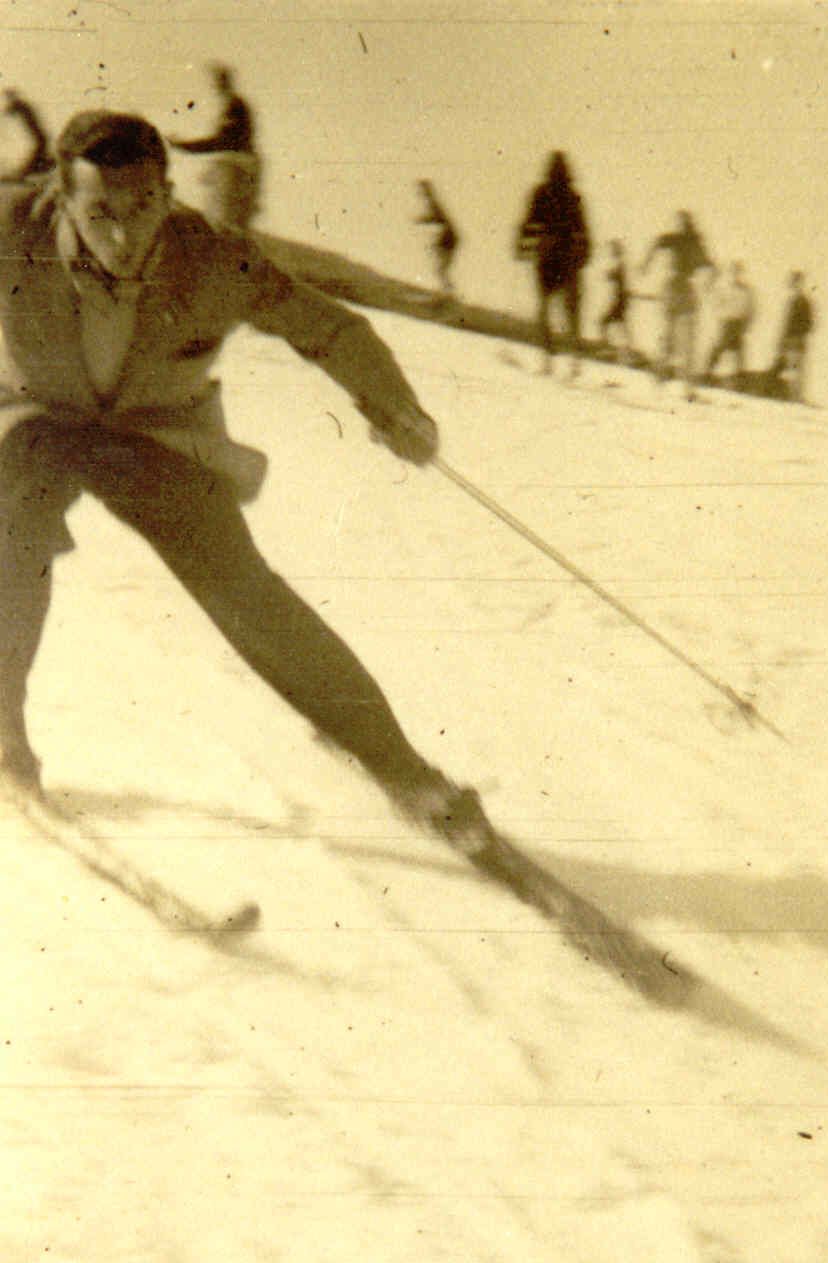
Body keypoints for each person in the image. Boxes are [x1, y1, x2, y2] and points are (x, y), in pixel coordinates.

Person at [0, 109, 488, 853]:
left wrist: (393, 407)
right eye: (100, 213)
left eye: (142, 209)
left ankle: (403, 770)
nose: (125, 237)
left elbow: (330, 328)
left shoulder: (212, 258)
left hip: (156, 432)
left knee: (244, 589)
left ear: (168, 193)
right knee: (9, 533)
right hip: (39, 418)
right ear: (61, 198)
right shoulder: (11, 227)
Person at [515, 152, 591, 375]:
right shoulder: (574, 195)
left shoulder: (540, 192)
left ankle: (548, 360)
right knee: (570, 313)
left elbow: (529, 223)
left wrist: (522, 246)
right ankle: (574, 361)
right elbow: (583, 230)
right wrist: (584, 256)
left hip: (547, 255)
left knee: (545, 309)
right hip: (568, 258)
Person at [167, 63, 261, 230]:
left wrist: (183, 146)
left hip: (236, 168)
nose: (214, 86)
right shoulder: (233, 105)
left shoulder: (235, 106)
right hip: (239, 168)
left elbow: (221, 142)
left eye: (216, 81)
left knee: (223, 223)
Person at [639, 210, 713, 394]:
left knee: (675, 339)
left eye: (681, 222)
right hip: (679, 290)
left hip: (679, 289)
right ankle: (673, 382)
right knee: (676, 339)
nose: (679, 225)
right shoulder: (692, 242)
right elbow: (711, 266)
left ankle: (669, 381)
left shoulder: (687, 241)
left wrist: (645, 263)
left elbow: (710, 266)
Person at [704, 261, 756, 384]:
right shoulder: (725, 288)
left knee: (740, 352)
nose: (736, 275)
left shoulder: (746, 290)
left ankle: (741, 380)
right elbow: (716, 302)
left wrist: (747, 323)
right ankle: (707, 374)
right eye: (734, 272)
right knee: (719, 348)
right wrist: (721, 316)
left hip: (739, 323)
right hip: (727, 322)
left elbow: (751, 308)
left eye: (738, 272)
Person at [773, 271, 815, 402]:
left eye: (795, 282)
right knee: (793, 368)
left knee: (795, 368)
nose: (793, 285)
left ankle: (795, 396)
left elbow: (809, 323)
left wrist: (797, 335)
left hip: (795, 339)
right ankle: (793, 396)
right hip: (793, 339)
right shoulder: (795, 300)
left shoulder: (802, 301)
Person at [414, 180, 459, 300]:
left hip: (448, 238)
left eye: (422, 191)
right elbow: (438, 219)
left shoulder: (433, 202)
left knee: (440, 269)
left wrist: (422, 220)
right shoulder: (433, 202)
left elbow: (438, 218)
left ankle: (449, 293)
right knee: (440, 269)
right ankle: (448, 292)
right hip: (447, 238)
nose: (420, 194)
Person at [0, 90, 53, 183]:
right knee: (37, 155)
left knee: (35, 157)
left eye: (9, 98)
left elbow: (8, 110)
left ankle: (26, 173)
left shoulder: (19, 105)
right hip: (40, 137)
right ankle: (35, 169)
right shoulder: (23, 105)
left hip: (39, 138)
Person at [598, 240, 633, 363]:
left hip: (619, 301)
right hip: (620, 301)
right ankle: (624, 353)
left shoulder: (620, 265)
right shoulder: (621, 265)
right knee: (621, 328)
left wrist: (607, 274)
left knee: (604, 322)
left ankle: (612, 350)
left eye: (613, 250)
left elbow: (611, 276)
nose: (612, 252)